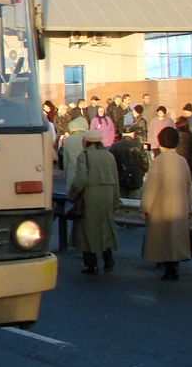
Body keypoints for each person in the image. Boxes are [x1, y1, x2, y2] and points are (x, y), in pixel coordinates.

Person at [140, 127, 192, 281]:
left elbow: (152, 186)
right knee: (175, 238)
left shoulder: (159, 161)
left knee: (162, 238)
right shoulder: (182, 160)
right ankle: (173, 265)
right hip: (179, 204)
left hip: (161, 205)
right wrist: (188, 206)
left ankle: (167, 266)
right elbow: (188, 184)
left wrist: (145, 207)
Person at [68, 130, 121, 274]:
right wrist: (115, 202)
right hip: (107, 194)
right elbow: (116, 180)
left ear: (86, 141)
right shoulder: (109, 156)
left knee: (87, 229)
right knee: (105, 226)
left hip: (90, 195)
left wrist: (72, 195)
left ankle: (91, 264)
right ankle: (108, 259)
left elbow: (81, 179)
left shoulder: (84, 156)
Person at [109, 124, 149, 199]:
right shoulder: (138, 145)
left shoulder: (114, 146)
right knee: (134, 201)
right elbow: (145, 163)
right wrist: (142, 172)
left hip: (120, 177)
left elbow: (110, 163)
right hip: (135, 177)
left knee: (121, 200)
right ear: (133, 134)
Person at [62, 117, 89, 191]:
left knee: (71, 194)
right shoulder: (87, 138)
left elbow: (66, 159)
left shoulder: (67, 140)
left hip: (72, 169)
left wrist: (66, 172)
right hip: (86, 169)